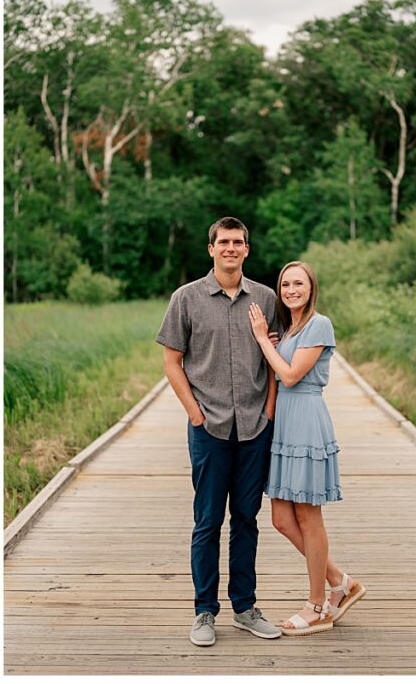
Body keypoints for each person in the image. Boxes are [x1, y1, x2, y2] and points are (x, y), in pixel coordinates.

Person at [156, 216, 281, 647]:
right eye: (223, 242)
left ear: (247, 249)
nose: (231, 248)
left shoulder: (265, 299)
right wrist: (194, 414)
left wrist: (267, 412)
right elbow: (172, 361)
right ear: (211, 249)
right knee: (207, 522)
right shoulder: (186, 299)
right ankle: (204, 612)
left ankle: (245, 608)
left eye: (238, 242)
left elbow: (275, 362)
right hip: (208, 426)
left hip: (253, 427)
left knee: (246, 519)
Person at [247, 260, 366, 636]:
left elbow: (292, 375)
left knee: (308, 517)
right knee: (281, 518)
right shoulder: (290, 328)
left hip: (307, 420)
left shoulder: (319, 324)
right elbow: (279, 372)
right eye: (285, 284)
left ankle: (318, 605)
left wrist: (263, 339)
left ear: (311, 288)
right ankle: (341, 582)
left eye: (298, 283)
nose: (291, 290)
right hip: (284, 424)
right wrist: (273, 341)